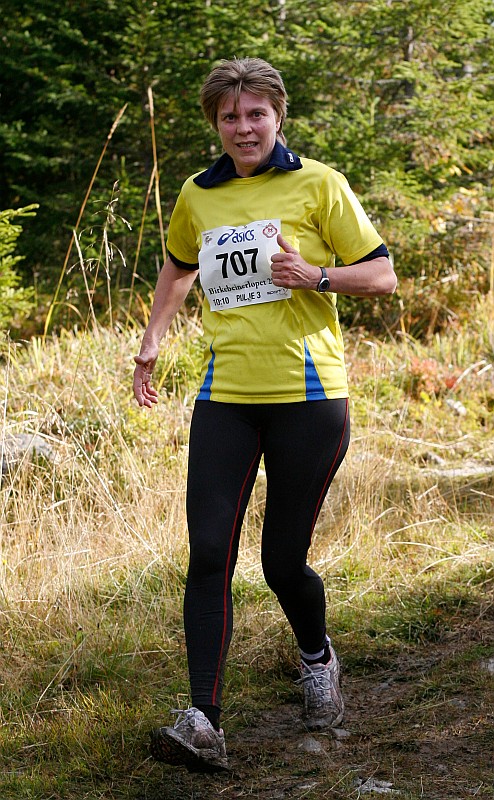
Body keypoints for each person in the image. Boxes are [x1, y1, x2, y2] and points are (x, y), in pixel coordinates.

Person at [133, 57, 396, 773]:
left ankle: (316, 657)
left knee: (282, 561)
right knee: (209, 553)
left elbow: (381, 274)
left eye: (256, 114)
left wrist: (316, 275)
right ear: (215, 123)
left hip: (309, 398)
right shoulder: (198, 193)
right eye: (230, 116)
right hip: (225, 397)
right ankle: (203, 721)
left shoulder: (320, 183)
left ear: (279, 116)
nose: (243, 128)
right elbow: (179, 264)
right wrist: (153, 340)